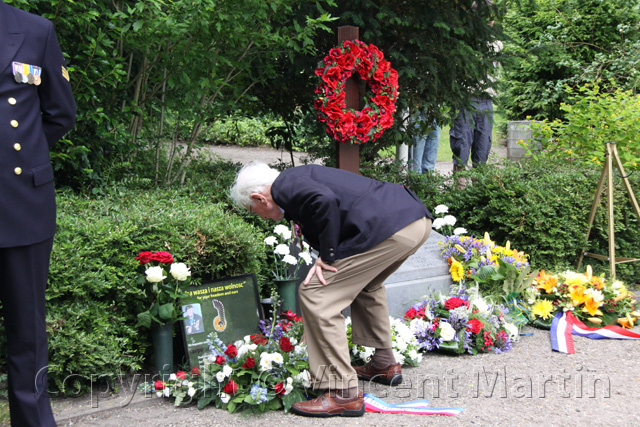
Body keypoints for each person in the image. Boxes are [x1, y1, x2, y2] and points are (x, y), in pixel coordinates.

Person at [230, 162, 433, 417]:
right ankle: (384, 363)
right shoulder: (295, 179)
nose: (258, 215)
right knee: (366, 285)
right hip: (414, 222)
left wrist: (327, 256)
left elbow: (324, 200)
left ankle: (341, 392)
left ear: (258, 198)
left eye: (252, 209)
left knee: (316, 294)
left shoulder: (284, 187)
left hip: (390, 228)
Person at [0, 2, 76, 425]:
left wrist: (23, 157)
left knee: (28, 332)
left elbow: (60, 113)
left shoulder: (34, 29)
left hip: (21, 203)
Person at [449, 1, 502, 174]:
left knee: (482, 152)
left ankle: (478, 196)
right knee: (461, 152)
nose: (491, 20)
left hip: (486, 102)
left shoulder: (496, 44)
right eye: (488, 16)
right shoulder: (464, 41)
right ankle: (459, 195)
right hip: (466, 101)